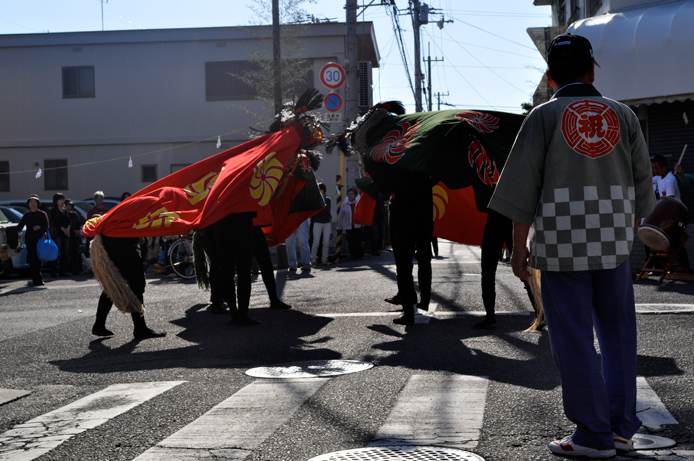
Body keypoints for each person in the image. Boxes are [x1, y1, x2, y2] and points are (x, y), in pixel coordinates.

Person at [489, 34, 655, 458]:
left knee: (574, 340)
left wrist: (519, 248)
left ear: (549, 77)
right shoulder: (624, 115)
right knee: (619, 337)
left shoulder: (543, 117)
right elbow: (641, 187)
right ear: (592, 70)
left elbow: (520, 189)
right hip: (613, 247)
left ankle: (593, 436)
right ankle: (620, 429)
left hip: (561, 247)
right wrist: (623, 230)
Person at [91, 236, 167, 339]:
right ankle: (140, 328)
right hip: (124, 248)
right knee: (136, 285)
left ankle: (99, 324)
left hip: (112, 247)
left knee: (112, 286)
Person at [475, 209, 537, 330]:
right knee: (523, 271)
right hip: (510, 222)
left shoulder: (488, 189)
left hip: (494, 223)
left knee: (488, 273)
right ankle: (539, 313)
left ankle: (490, 317)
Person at [387, 177, 434, 325]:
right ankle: (425, 299)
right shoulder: (425, 157)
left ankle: (408, 311)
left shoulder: (396, 158)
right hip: (424, 212)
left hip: (402, 214)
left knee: (403, 265)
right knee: (424, 258)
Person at [16, 194, 49, 287]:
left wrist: (39, 227)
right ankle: (35, 280)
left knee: (39, 260)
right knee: (32, 259)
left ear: (38, 203)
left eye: (35, 202)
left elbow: (47, 227)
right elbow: (19, 227)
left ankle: (39, 279)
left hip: (40, 240)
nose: (33, 204)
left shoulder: (42, 214)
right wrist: (6, 229)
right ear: (28, 204)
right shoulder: (26, 215)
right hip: (30, 240)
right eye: (31, 202)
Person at [336, 188, 364, 260]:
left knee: (358, 241)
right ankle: (353, 255)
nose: (350, 196)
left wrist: (363, 224)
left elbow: (362, 214)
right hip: (348, 226)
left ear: (355, 195)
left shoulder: (359, 203)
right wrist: (339, 226)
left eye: (352, 194)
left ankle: (359, 255)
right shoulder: (344, 204)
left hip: (358, 225)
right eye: (349, 194)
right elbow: (341, 216)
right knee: (351, 241)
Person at [48, 192, 70, 277]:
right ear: (56, 201)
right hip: (57, 234)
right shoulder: (54, 210)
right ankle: (53, 271)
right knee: (56, 253)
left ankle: (62, 271)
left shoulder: (65, 211)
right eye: (60, 199)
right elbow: (55, 222)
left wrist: (67, 229)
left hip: (65, 234)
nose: (62, 201)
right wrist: (64, 229)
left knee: (65, 253)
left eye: (62, 199)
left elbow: (68, 221)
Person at [310, 183, 332, 265]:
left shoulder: (328, 199)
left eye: (321, 189)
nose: (320, 191)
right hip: (317, 222)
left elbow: (328, 211)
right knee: (316, 242)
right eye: (319, 190)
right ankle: (313, 259)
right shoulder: (315, 200)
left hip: (327, 222)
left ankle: (324, 259)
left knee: (326, 242)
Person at [65, 199, 82, 275]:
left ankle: (76, 270)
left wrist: (78, 231)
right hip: (68, 236)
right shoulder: (64, 214)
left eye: (70, 205)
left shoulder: (74, 214)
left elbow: (78, 223)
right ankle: (67, 269)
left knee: (76, 253)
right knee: (67, 253)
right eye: (67, 205)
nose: (68, 207)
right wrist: (73, 231)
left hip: (75, 236)